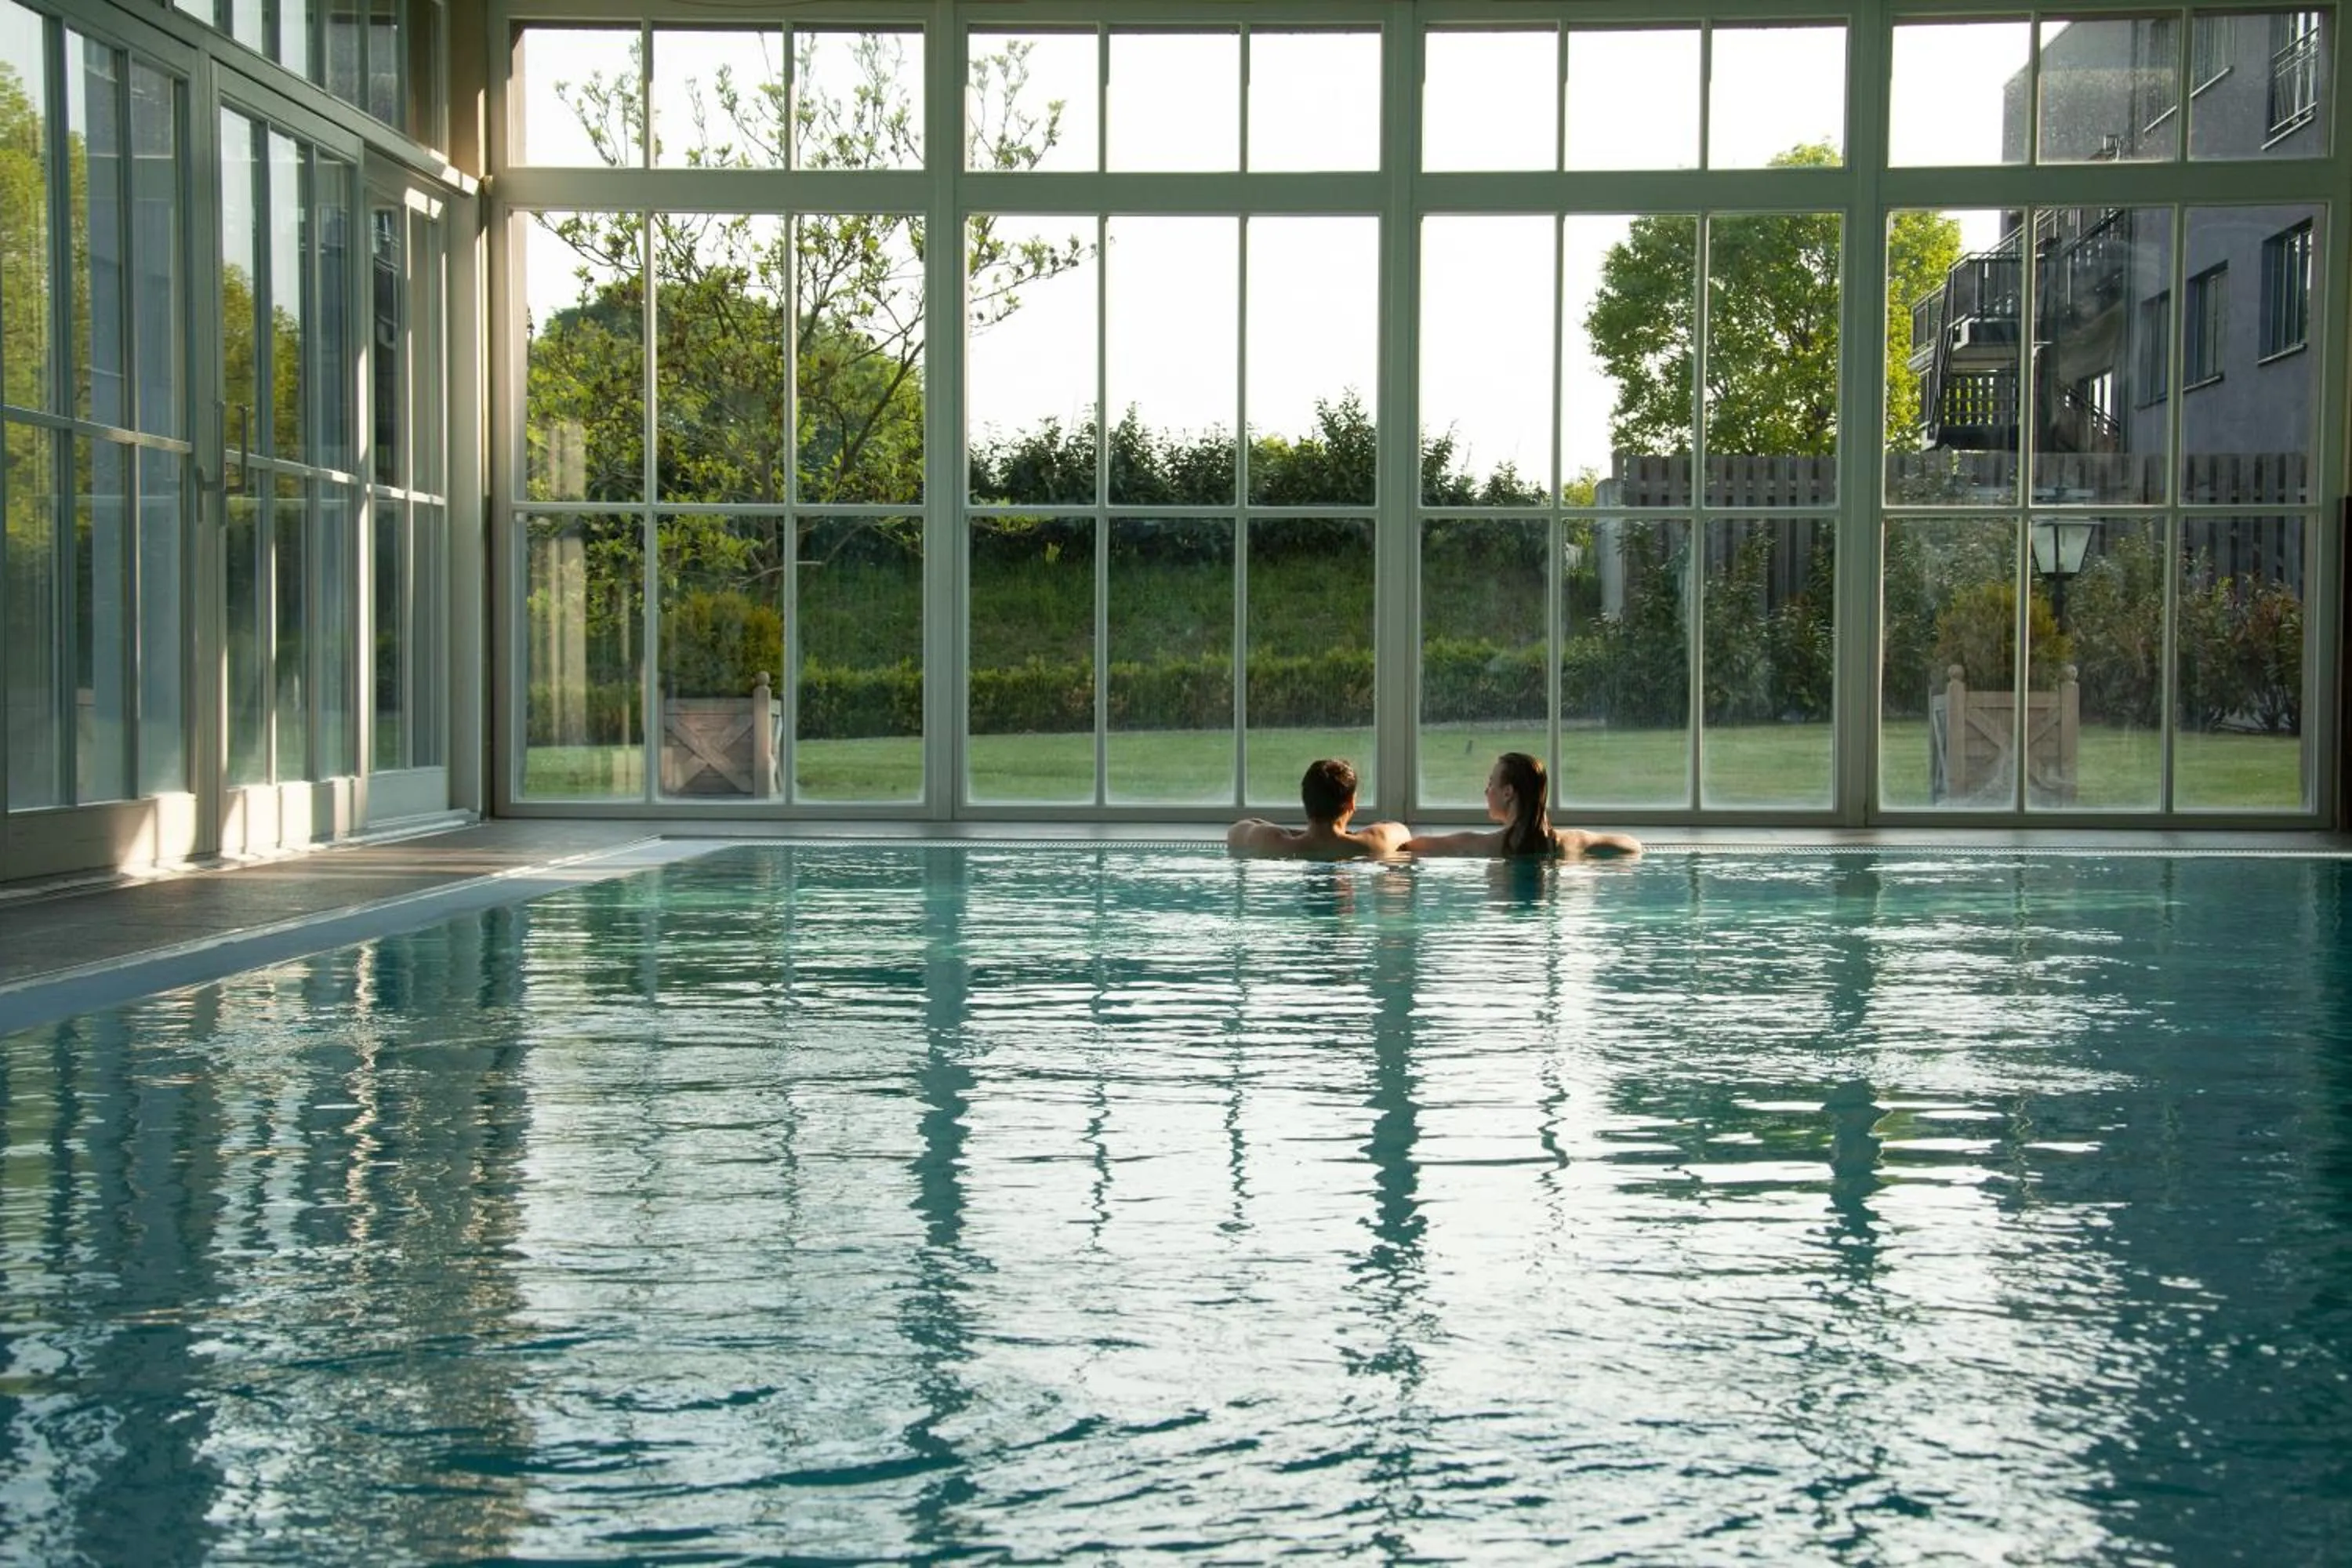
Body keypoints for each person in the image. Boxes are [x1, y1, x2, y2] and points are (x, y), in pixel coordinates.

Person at [1404, 751, 1642, 860]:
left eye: (1491, 783)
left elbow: (1408, 847)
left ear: (1508, 792)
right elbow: (1633, 846)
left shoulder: (1481, 845)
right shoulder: (1571, 842)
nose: (1486, 791)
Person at [1226, 758, 1410, 861]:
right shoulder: (1370, 844)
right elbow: (1401, 830)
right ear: (1351, 803)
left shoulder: (1274, 843)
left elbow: (1237, 830)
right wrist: (1348, 836)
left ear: (1306, 800)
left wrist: (1300, 834)